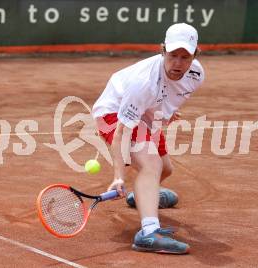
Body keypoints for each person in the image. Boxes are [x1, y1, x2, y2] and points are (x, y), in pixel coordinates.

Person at [91, 23, 204, 254]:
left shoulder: (196, 74)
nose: (178, 63)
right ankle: (149, 233)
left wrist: (166, 115)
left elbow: (168, 96)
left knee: (165, 169)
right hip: (113, 113)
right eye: (173, 55)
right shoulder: (143, 82)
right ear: (162, 50)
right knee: (151, 163)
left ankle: (141, 196)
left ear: (195, 55)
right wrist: (119, 177)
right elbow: (122, 132)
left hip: (149, 114)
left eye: (185, 57)